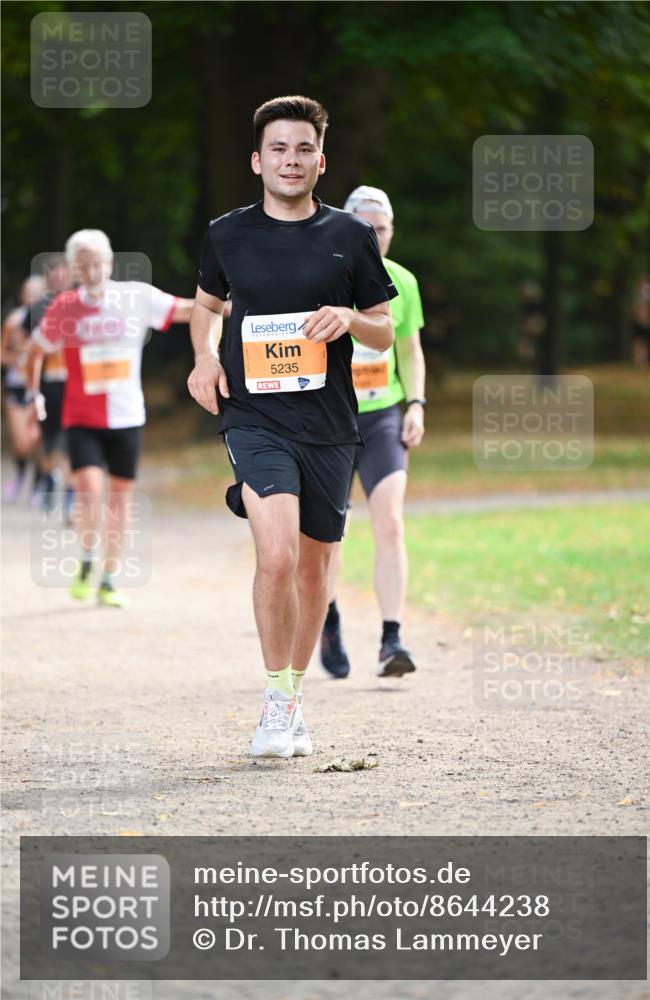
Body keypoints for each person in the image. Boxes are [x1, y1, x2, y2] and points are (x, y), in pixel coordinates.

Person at [187, 96, 395, 759]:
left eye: (303, 148)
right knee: (274, 555)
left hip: (330, 424)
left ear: (320, 160)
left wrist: (349, 318)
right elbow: (207, 307)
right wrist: (201, 357)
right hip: (254, 417)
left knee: (313, 570)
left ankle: (293, 694)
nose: (290, 159)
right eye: (278, 148)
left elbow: (385, 331)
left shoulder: (350, 237)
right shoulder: (226, 234)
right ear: (257, 160)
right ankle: (275, 706)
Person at [26, 229, 193, 607]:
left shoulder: (135, 296)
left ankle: (108, 576)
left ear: (110, 263)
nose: (92, 271)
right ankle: (86, 559)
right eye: (83, 266)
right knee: (89, 494)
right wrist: (35, 396)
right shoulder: (65, 307)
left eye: (97, 263)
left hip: (127, 417)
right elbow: (35, 352)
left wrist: (243, 303)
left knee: (119, 502)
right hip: (81, 416)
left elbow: (186, 309)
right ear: (73, 270)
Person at [319, 185, 427, 679]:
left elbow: (410, 351)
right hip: (330, 418)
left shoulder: (403, 279)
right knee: (328, 534)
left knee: (391, 524)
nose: (374, 236)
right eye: (365, 227)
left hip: (382, 415)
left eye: (381, 228)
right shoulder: (324, 274)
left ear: (391, 232)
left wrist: (417, 404)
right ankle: (329, 618)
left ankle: (391, 639)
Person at [22, 254, 73, 512]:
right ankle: (49, 476)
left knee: (72, 435)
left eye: (64, 271)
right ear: (49, 277)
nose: (60, 276)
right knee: (47, 437)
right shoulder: (38, 308)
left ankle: (70, 490)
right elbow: (26, 347)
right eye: (55, 272)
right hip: (47, 383)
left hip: (75, 382)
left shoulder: (81, 301)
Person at [1, 275, 46, 502]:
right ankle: (19, 475)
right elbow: (2, 354)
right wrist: (18, 357)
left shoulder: (50, 320)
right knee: (22, 442)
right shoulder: (13, 320)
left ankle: (39, 484)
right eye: (28, 292)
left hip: (39, 386)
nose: (32, 297)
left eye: (36, 293)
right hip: (17, 386)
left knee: (37, 438)